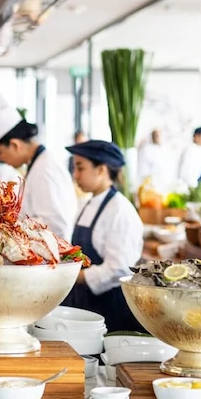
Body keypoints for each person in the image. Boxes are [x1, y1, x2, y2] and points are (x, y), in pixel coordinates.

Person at [0, 80, 77, 240]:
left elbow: (57, 225)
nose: (2, 159)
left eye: (0, 152)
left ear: (15, 145)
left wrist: (10, 226)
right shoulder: (37, 164)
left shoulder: (45, 169)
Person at [62, 140, 145, 333]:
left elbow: (118, 269)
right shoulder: (88, 203)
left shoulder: (120, 210)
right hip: (83, 303)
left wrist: (73, 276)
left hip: (109, 310)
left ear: (101, 169)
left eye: (80, 168)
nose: (75, 175)